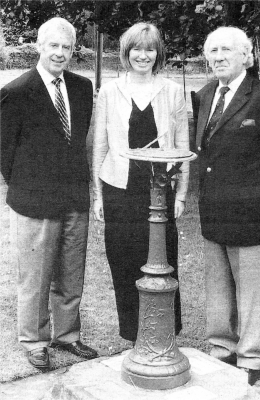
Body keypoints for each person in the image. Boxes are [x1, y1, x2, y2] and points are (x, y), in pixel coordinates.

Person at [195, 27, 260, 385]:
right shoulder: (206, 93)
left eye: (227, 50)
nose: (219, 56)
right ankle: (221, 347)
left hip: (253, 214)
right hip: (214, 210)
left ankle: (251, 356)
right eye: (213, 51)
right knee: (217, 286)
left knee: (250, 289)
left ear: (246, 55)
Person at [0, 17, 98, 370]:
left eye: (66, 47)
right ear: (39, 46)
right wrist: (27, 186)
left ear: (73, 50)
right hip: (34, 199)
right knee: (36, 276)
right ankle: (34, 340)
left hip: (74, 196)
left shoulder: (83, 87)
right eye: (53, 45)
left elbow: (79, 142)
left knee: (72, 273)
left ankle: (67, 335)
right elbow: (4, 154)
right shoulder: (16, 91)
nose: (60, 52)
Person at [93, 22, 189, 344]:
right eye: (137, 48)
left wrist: (182, 195)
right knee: (123, 261)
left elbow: (182, 145)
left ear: (158, 53)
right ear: (126, 52)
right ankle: (134, 338)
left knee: (164, 263)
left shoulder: (173, 90)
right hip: (119, 190)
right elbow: (100, 148)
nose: (143, 55)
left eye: (150, 49)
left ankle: (163, 335)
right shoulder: (109, 91)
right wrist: (97, 196)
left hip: (159, 192)